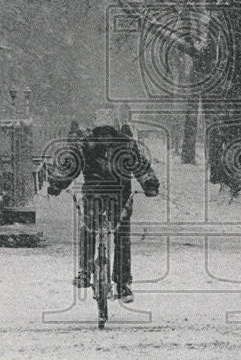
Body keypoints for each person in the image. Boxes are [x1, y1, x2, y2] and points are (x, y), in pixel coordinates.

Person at [47, 112, 159, 303]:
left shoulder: (86, 144)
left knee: (88, 231)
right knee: (122, 238)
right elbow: (141, 168)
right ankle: (123, 284)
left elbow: (70, 168)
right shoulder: (126, 145)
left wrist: (57, 184)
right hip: (120, 197)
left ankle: (84, 271)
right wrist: (150, 185)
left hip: (94, 197)